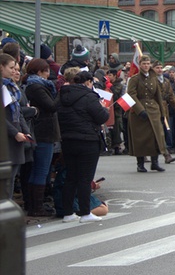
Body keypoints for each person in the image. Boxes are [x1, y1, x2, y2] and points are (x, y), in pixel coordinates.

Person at [56, 71, 110, 222]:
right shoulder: (89, 97)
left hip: (67, 140)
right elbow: (102, 117)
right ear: (88, 83)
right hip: (87, 141)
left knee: (71, 177)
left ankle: (68, 213)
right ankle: (86, 212)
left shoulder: (62, 96)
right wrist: (104, 108)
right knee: (85, 178)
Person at [22, 58, 60, 217]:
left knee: (40, 169)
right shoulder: (36, 87)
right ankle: (36, 207)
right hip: (43, 132)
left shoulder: (37, 86)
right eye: (46, 71)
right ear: (39, 72)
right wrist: (61, 92)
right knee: (41, 169)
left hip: (43, 131)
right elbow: (51, 106)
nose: (48, 74)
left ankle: (35, 204)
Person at [127, 55, 168, 172]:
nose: (146, 66)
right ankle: (140, 164)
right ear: (140, 65)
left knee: (156, 137)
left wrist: (162, 112)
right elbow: (131, 95)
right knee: (141, 139)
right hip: (139, 111)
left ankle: (155, 162)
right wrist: (140, 110)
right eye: (144, 64)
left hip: (154, 110)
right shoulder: (135, 79)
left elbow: (158, 96)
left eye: (148, 63)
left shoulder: (153, 78)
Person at [1, 53, 32, 201]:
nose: (15, 71)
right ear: (1, 67)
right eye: (11, 68)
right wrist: (15, 133)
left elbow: (18, 111)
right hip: (6, 139)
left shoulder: (12, 87)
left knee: (11, 180)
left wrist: (25, 131)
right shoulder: (3, 87)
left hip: (15, 138)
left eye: (16, 68)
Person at [153, 61, 175, 162]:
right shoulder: (151, 80)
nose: (160, 70)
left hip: (164, 109)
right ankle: (165, 155)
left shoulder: (166, 81)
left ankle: (166, 153)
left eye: (161, 67)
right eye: (157, 68)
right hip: (154, 108)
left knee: (165, 132)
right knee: (157, 133)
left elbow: (171, 96)